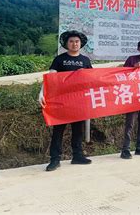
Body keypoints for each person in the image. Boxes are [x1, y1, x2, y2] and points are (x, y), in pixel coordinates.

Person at [38, 30, 93, 172]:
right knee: (58, 130)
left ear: (80, 44)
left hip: (79, 101)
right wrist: (41, 92)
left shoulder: (85, 61)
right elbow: (50, 77)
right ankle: (55, 159)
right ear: (66, 44)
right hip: (61, 101)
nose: (74, 44)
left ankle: (77, 156)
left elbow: (92, 79)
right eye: (71, 41)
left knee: (78, 130)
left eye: (77, 41)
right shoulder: (60, 59)